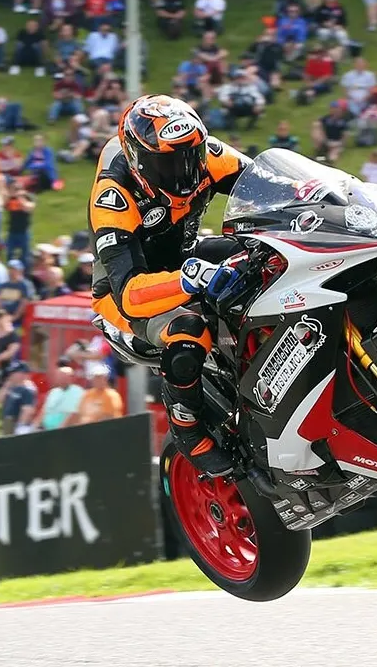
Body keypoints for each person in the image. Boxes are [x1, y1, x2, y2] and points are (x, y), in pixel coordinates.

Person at [88, 95, 250, 476]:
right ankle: (188, 428)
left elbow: (270, 184)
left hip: (186, 257)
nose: (184, 171)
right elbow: (129, 292)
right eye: (168, 163)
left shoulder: (205, 153)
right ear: (140, 161)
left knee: (263, 254)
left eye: (189, 157)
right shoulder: (113, 195)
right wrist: (187, 280)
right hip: (124, 297)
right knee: (188, 331)